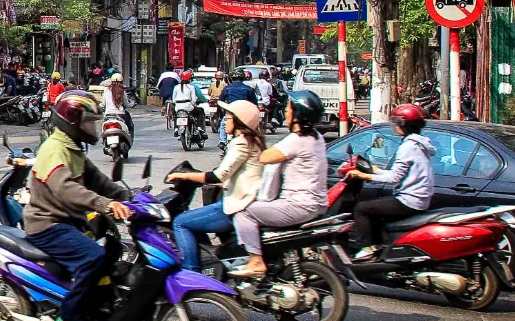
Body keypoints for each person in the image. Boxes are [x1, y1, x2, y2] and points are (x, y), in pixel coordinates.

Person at [23, 91, 132, 321]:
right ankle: (68, 319)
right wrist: (105, 205)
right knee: (93, 258)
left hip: (69, 223)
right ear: (72, 121)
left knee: (114, 254)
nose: (91, 128)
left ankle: (94, 310)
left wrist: (130, 197)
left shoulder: (73, 149)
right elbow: (66, 189)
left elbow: (100, 182)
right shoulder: (54, 149)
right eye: (88, 122)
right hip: (47, 224)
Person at [230, 90, 328, 278]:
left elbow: (265, 156)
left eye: (289, 108)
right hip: (315, 204)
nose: (285, 111)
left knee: (243, 213)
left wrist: (251, 136)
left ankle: (256, 261)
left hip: (297, 204)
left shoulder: (295, 141)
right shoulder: (317, 137)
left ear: (298, 115)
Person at [167, 100, 266, 271]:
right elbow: (238, 173)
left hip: (236, 204)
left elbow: (217, 176)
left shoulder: (241, 142)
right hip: (245, 199)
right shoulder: (253, 141)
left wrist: (183, 175)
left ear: (239, 122)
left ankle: (191, 271)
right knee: (195, 222)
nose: (224, 121)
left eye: (228, 118)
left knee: (180, 222)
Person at [347, 103, 435, 262]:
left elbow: (394, 178)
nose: (394, 126)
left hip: (409, 200)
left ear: (404, 124)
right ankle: (378, 246)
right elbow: (401, 173)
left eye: (396, 122)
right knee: (374, 207)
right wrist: (376, 170)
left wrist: (363, 176)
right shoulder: (418, 144)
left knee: (361, 208)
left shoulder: (408, 147)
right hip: (418, 198)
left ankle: (366, 248)